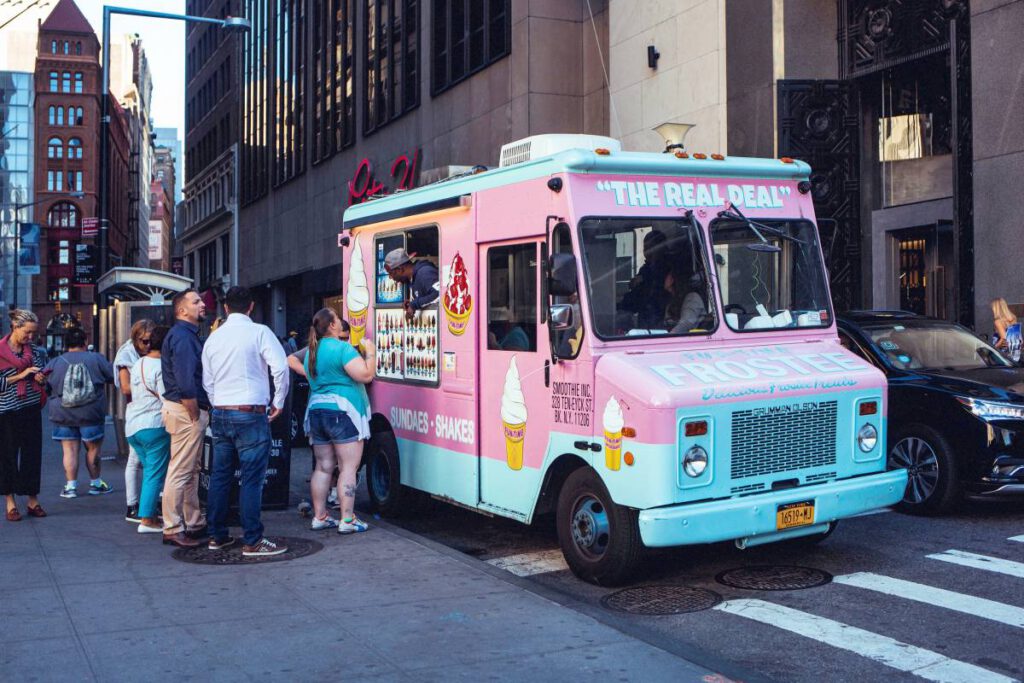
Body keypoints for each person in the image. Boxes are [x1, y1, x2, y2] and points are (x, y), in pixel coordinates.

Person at [202, 286, 290, 556]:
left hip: (221, 411)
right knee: (252, 478)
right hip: (250, 411)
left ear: (225, 307)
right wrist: (279, 401)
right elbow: (280, 367)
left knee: (220, 476)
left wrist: (219, 402)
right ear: (251, 306)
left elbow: (208, 380)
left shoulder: (213, 340)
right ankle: (252, 539)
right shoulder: (259, 332)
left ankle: (217, 535)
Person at [303, 308, 375, 533]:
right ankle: (347, 520)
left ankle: (320, 516)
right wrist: (371, 353)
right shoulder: (342, 348)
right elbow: (365, 375)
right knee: (348, 468)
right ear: (333, 326)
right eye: (337, 319)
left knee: (323, 468)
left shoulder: (311, 352)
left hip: (315, 410)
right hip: (343, 411)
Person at [160, 289, 210, 548]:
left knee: (190, 469)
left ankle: (193, 522)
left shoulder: (183, 335)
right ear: (182, 310)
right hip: (185, 409)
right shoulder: (183, 337)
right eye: (196, 301)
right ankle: (172, 527)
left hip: (183, 408)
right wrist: (194, 412)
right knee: (181, 470)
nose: (202, 304)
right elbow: (185, 380)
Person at [43, 327, 115, 498]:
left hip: (63, 413)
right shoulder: (96, 359)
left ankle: (71, 487)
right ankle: (96, 484)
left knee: (69, 450)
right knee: (93, 450)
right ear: (85, 342)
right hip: (91, 412)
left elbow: (46, 386)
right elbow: (113, 377)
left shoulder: (55, 362)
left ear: (66, 344)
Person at [289, 318, 349, 512]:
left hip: (324, 409)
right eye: (341, 337)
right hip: (333, 410)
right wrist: (307, 373)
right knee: (331, 463)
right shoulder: (319, 349)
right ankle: (336, 505)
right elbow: (290, 359)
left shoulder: (335, 350)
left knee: (329, 463)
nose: (344, 341)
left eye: (346, 338)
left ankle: (322, 511)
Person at [1, 309, 48, 522]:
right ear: (15, 327)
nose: (30, 337)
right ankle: (10, 502)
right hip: (6, 410)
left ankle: (32, 500)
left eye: (33, 333)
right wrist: (19, 376)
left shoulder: (37, 352)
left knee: (31, 455)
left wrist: (40, 379)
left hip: (30, 407)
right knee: (7, 456)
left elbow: (45, 379)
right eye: (27, 332)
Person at [125, 325, 171, 534]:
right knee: (154, 474)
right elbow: (166, 398)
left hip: (133, 426)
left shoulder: (139, 363)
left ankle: (149, 513)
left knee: (151, 473)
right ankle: (147, 520)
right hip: (154, 425)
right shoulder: (161, 367)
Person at [114, 319, 155, 522]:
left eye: (150, 341)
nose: (147, 345)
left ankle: (143, 504)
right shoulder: (126, 356)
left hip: (150, 412)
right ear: (135, 339)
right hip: (138, 412)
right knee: (135, 460)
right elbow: (125, 388)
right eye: (144, 341)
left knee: (145, 461)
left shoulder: (150, 355)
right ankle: (133, 505)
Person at [620, 230, 670, 328]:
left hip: (660, 314)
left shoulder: (667, 267)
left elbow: (655, 290)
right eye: (645, 248)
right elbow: (638, 291)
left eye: (651, 248)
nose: (647, 252)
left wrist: (643, 281)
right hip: (645, 313)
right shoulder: (646, 268)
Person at [384, 248, 439, 321]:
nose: (390, 277)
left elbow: (439, 294)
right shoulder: (411, 279)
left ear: (400, 269)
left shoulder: (425, 273)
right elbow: (426, 298)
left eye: (391, 273)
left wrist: (414, 305)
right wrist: (411, 304)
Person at [663, 266, 707, 333]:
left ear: (673, 279)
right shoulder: (672, 302)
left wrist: (668, 337)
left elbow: (686, 323)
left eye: (667, 275)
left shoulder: (693, 298)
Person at [991, 297, 1022, 363]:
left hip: (1002, 354)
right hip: (1015, 352)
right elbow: (1017, 335)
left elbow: (1004, 338)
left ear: (996, 308)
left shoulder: (998, 321)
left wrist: (992, 348)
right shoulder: (1013, 318)